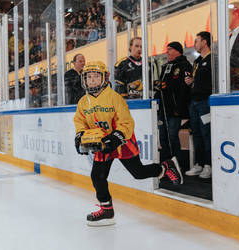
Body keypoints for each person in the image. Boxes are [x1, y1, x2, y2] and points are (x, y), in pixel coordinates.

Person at [74, 61, 183, 226]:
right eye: (89, 77)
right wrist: (80, 136)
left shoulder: (114, 98)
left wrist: (117, 136)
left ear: (104, 78)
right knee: (97, 176)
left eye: (96, 76)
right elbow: (80, 122)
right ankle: (106, 210)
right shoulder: (83, 102)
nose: (93, 80)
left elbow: (126, 122)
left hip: (122, 142)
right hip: (102, 144)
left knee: (138, 173)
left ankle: (165, 167)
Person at [156, 42, 192, 163]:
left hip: (175, 109)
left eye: (170, 49)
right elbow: (162, 86)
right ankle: (166, 162)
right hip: (163, 108)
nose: (167, 52)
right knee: (163, 136)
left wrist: (180, 107)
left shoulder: (184, 65)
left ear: (178, 50)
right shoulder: (165, 66)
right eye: (167, 49)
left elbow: (184, 89)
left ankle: (177, 162)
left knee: (172, 136)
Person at [184, 32, 212, 178]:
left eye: (197, 41)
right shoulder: (197, 61)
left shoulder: (213, 59)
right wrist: (191, 81)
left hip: (205, 102)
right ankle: (199, 164)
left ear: (205, 42)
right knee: (196, 134)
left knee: (207, 134)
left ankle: (209, 165)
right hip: (194, 103)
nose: (195, 43)